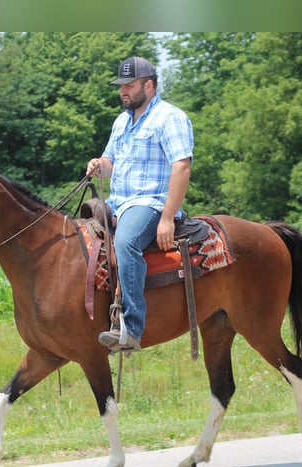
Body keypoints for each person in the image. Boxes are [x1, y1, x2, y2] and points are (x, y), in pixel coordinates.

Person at [86, 56, 194, 353]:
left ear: (149, 85)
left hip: (149, 202)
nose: (123, 91)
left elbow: (181, 166)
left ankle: (131, 328)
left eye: (129, 85)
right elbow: (110, 163)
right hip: (118, 201)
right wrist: (99, 165)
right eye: (120, 86)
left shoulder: (170, 118)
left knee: (126, 242)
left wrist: (168, 218)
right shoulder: (122, 121)